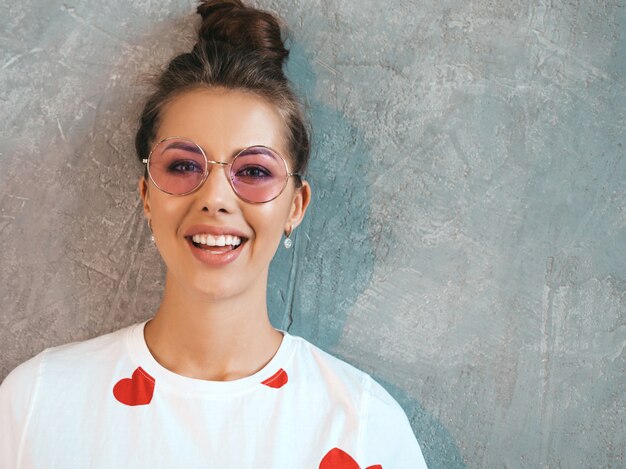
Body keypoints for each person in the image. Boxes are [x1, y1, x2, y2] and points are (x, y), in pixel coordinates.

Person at [0, 1, 428, 467]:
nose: (216, 199)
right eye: (184, 165)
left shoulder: (364, 426)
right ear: (146, 195)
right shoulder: (38, 404)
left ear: (296, 206)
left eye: (254, 170)